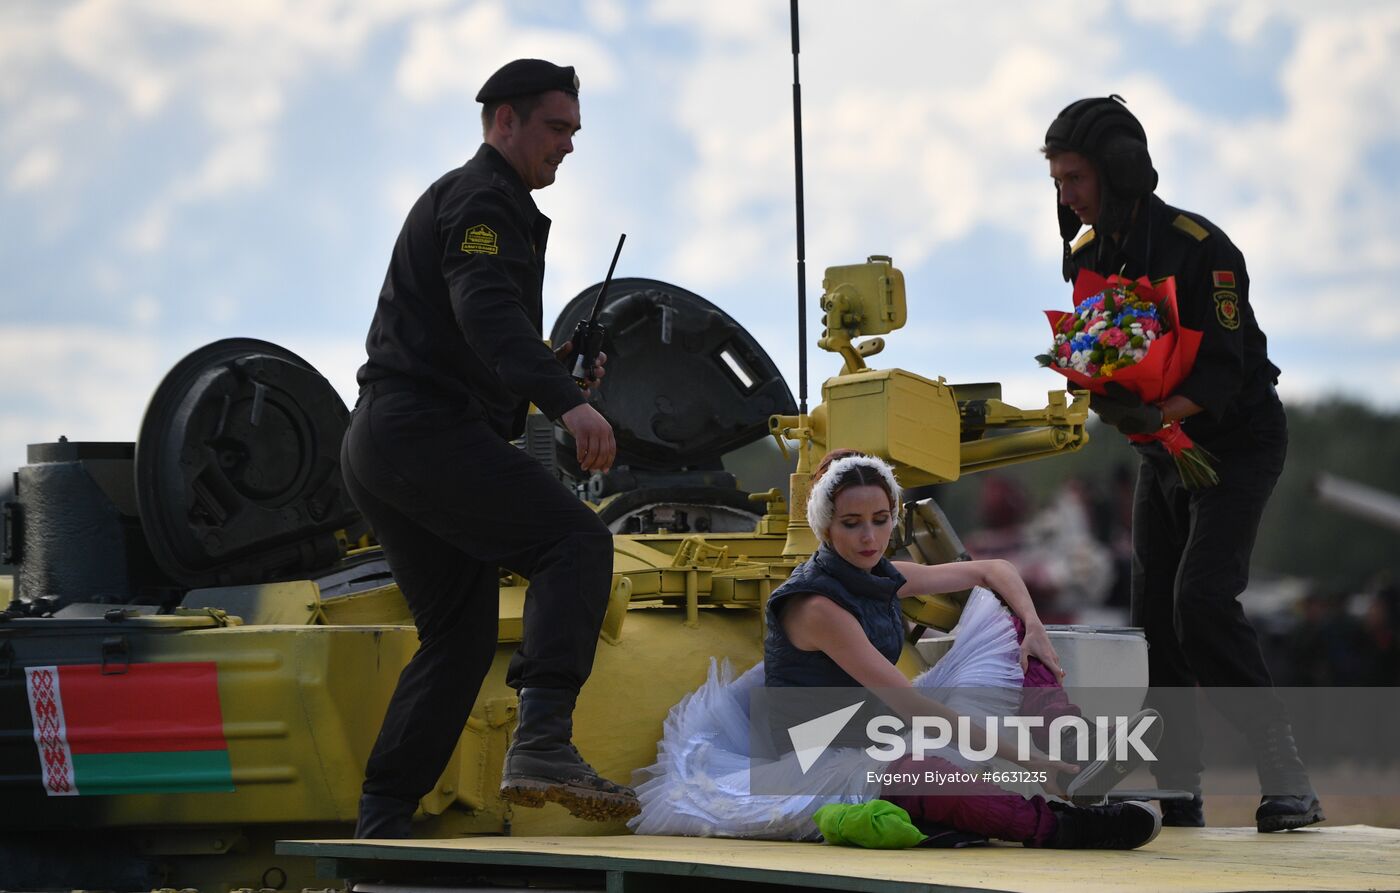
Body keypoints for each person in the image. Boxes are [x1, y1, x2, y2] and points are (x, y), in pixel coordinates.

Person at [341, 58, 637, 838]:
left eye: (575, 131)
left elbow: (481, 340)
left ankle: (383, 816)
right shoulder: (482, 201)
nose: (568, 146)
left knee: (461, 635)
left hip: (390, 436)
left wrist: (557, 361)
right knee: (573, 539)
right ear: (504, 121)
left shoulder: (487, 201)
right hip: (421, 430)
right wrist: (569, 403)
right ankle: (543, 741)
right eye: (556, 128)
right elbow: (488, 319)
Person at [629, 449, 1163, 850]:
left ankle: (1074, 746)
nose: (869, 538)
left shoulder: (882, 574)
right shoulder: (816, 606)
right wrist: (1027, 762)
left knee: (998, 621)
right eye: (851, 524)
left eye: (881, 520)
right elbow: (913, 707)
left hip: (868, 722)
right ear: (825, 525)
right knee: (920, 772)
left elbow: (991, 570)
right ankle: (1064, 826)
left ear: (894, 515)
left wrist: (1033, 625)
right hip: (807, 753)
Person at [1043, 95, 1323, 832]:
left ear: (1118, 172)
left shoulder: (1203, 249)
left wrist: (1155, 415)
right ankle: (1178, 789)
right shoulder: (1086, 252)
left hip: (1234, 441)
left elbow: (1224, 374)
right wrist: (1107, 399)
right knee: (1152, 623)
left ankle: (1287, 777)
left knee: (1201, 601)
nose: (1064, 194)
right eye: (1058, 180)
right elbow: (1102, 351)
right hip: (1159, 451)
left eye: (1074, 177)